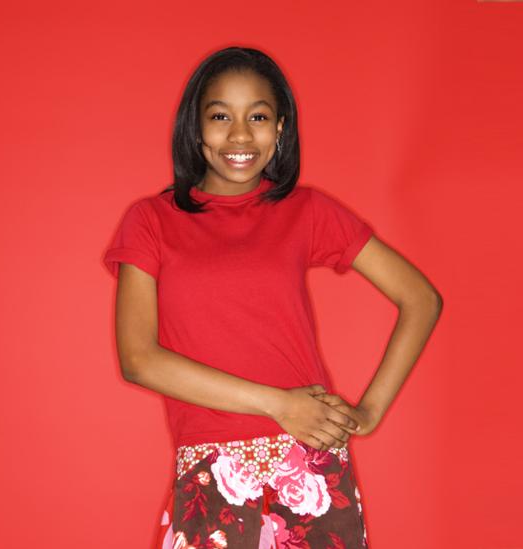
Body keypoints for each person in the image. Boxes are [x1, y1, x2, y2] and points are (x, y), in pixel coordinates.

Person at [102, 46, 442, 549]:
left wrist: (368, 412)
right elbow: (139, 360)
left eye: (257, 117)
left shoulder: (307, 211)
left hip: (307, 465)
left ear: (280, 127)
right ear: (195, 128)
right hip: (211, 467)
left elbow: (421, 299)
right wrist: (280, 405)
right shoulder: (151, 221)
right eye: (220, 117)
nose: (240, 135)